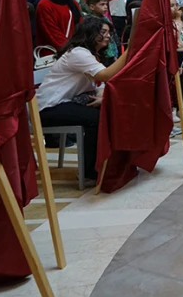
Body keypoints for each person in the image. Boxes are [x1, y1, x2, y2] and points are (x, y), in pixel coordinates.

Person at [36, 17, 129, 183]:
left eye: (109, 32)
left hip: (66, 103)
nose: (108, 36)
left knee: (111, 111)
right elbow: (106, 75)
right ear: (91, 34)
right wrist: (130, 51)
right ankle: (89, 172)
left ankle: (111, 163)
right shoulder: (78, 53)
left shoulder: (88, 54)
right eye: (103, 32)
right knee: (98, 119)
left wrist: (101, 95)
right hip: (50, 107)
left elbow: (98, 83)